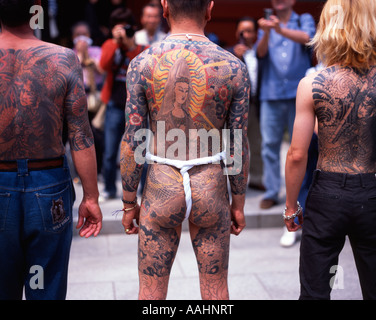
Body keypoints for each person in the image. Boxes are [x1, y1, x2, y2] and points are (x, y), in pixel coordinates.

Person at [120, 0, 249, 300]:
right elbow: (237, 143)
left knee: (151, 293)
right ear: (210, 8)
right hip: (210, 186)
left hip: (162, 184)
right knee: (216, 290)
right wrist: (238, 202)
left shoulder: (143, 64)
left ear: (164, 7)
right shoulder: (233, 68)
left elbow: (133, 139)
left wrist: (128, 202)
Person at [0, 0, 102, 300]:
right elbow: (81, 134)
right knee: (44, 287)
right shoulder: (64, 59)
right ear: (36, 11)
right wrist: (91, 197)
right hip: (48, 188)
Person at [284, 0, 376, 299]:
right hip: (372, 191)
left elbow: (297, 154)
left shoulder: (312, 83)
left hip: (328, 195)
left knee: (315, 290)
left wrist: (290, 207)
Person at [256, 0, 316, 209]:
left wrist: (279, 30)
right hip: (270, 92)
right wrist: (266, 33)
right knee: (269, 146)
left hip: (299, 94)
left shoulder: (303, 19)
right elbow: (260, 53)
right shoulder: (266, 24)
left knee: (300, 147)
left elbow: (308, 38)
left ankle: (301, 193)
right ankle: (272, 191)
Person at [99, 8, 147, 200]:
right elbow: (103, 66)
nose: (120, 33)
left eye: (124, 28)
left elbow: (142, 68)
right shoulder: (109, 45)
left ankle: (144, 190)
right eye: (116, 29)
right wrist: (115, 43)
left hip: (138, 108)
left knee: (140, 152)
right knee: (110, 152)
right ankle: (110, 188)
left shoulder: (143, 48)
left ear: (133, 29)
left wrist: (129, 45)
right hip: (114, 105)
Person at [229, 16, 264, 191]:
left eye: (250, 30)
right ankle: (234, 182)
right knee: (234, 145)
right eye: (243, 31)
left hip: (256, 104)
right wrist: (236, 57)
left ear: (255, 33)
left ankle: (257, 178)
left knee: (257, 144)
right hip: (235, 107)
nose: (246, 34)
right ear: (237, 32)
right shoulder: (229, 53)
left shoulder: (261, 52)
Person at [72, 21, 105, 178]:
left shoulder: (97, 51)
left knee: (97, 133)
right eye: (78, 35)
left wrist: (88, 56)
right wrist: (80, 55)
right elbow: (72, 72)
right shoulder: (69, 53)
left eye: (84, 34)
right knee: (81, 135)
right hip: (78, 99)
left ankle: (100, 168)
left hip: (95, 97)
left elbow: (101, 69)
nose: (82, 38)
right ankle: (81, 172)